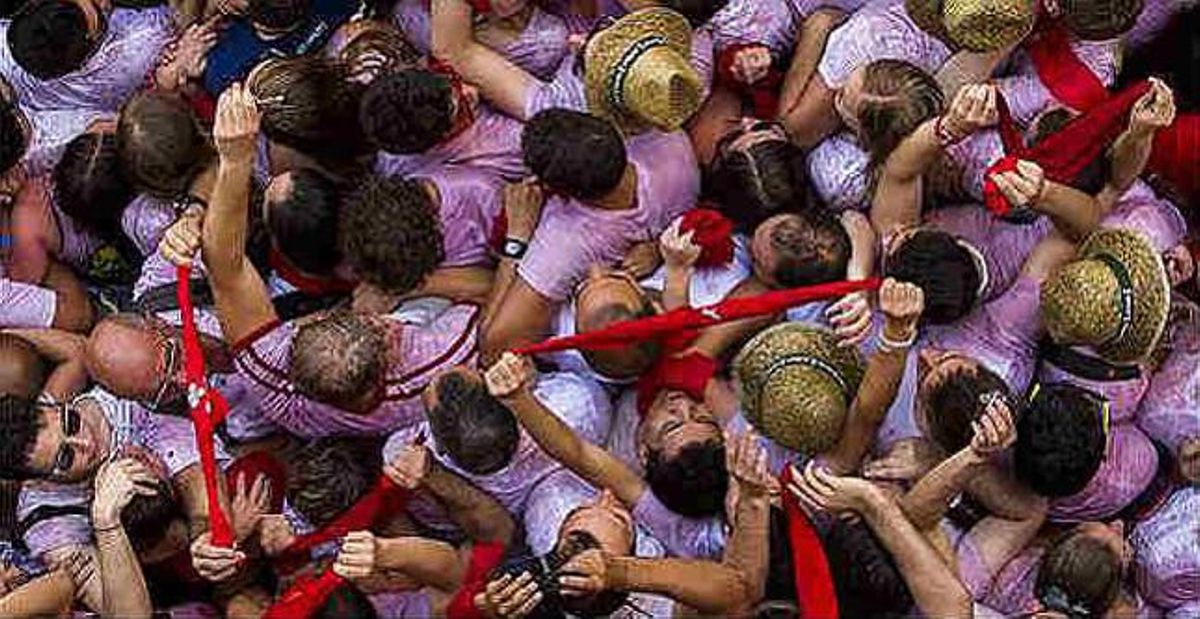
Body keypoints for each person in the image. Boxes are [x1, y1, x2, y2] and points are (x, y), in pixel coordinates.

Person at [185, 84, 480, 438]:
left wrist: (234, 162)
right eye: (378, 328)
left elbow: (225, 266)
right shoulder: (440, 360)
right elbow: (495, 292)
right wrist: (399, 290)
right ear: (386, 345)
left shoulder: (274, 381)